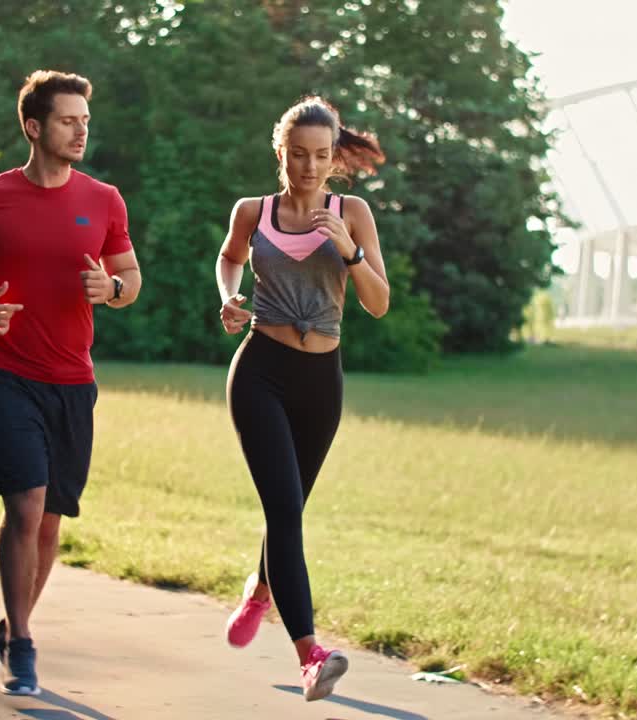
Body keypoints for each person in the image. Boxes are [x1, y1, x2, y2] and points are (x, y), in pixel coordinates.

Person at [0, 70, 141, 696]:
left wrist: (114, 290)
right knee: (24, 506)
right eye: (69, 120)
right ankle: (22, 643)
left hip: (73, 380)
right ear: (34, 127)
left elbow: (130, 279)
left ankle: (9, 624)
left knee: (48, 521)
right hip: (1, 373)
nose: (81, 131)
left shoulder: (105, 200)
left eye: (85, 121)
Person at [215, 96, 390, 702]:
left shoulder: (353, 212)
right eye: (297, 155)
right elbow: (230, 259)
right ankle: (311, 655)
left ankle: (261, 591)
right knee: (285, 510)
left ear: (333, 157)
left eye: (320, 156)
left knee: (289, 509)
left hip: (322, 381)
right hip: (261, 371)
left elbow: (377, 301)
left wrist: (350, 250)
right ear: (280, 153)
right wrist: (229, 298)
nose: (309, 167)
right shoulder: (253, 211)